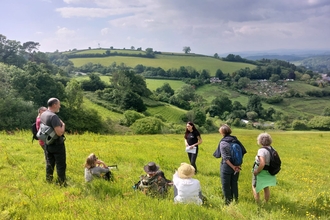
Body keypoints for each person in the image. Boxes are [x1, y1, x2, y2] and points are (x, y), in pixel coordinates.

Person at [215, 124, 246, 205]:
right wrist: (237, 166)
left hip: (226, 167)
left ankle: (228, 202)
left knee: (226, 185)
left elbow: (225, 158)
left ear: (221, 132)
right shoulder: (236, 140)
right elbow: (243, 151)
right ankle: (236, 200)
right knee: (234, 183)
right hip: (237, 165)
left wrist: (233, 167)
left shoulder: (223, 142)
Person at [40, 98, 67, 186]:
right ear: (54, 105)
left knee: (49, 163)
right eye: (59, 104)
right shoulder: (53, 116)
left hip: (47, 143)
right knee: (61, 164)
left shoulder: (43, 114)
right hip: (57, 144)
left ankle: (49, 180)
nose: (60, 106)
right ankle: (62, 183)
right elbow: (59, 133)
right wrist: (63, 125)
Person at [252, 133, 277, 204]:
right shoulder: (272, 149)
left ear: (260, 141)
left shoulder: (262, 150)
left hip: (261, 170)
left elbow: (262, 163)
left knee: (255, 186)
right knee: (266, 186)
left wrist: (257, 171)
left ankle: (258, 202)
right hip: (268, 170)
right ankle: (265, 202)